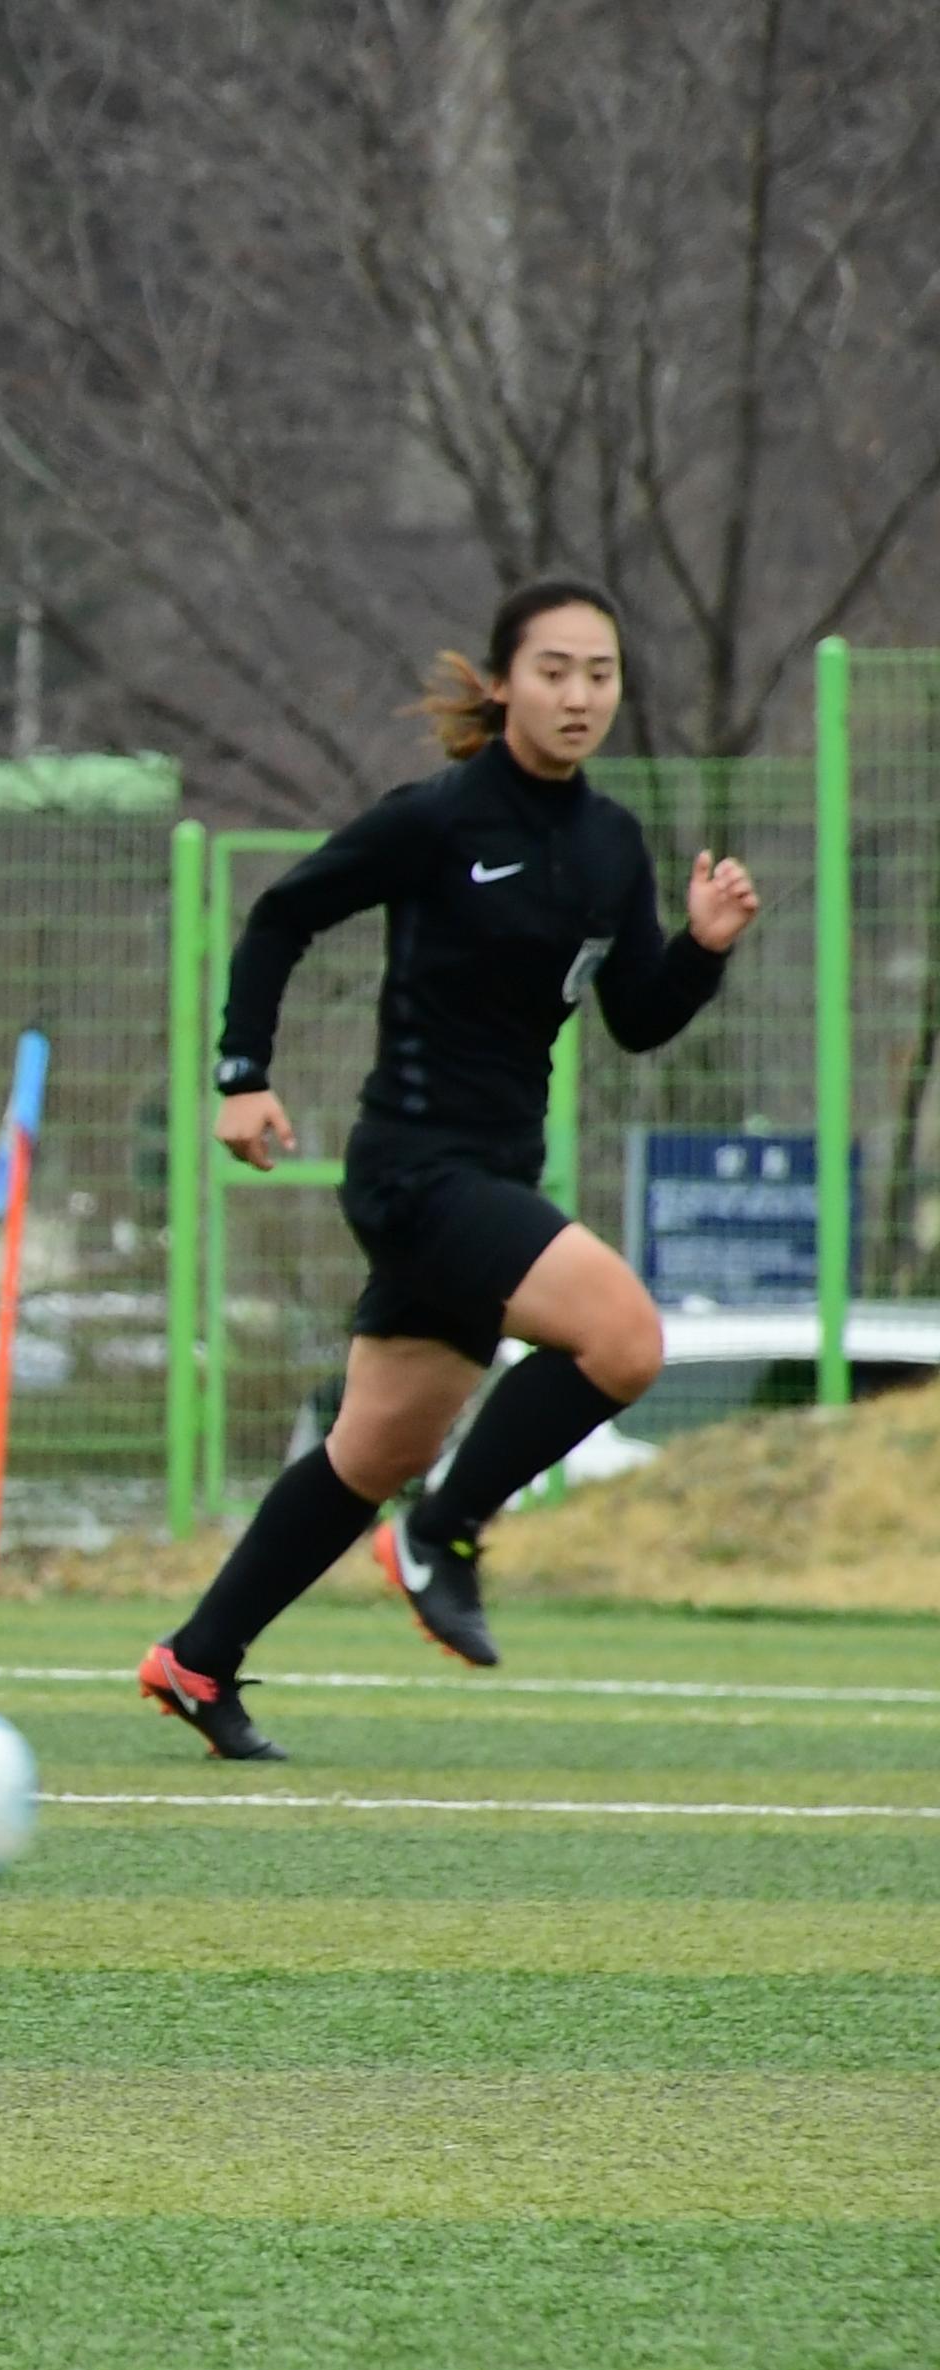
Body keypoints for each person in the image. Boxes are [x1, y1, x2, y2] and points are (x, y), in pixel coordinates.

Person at [144, 577, 760, 1760]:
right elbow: (280, 915)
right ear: (499, 683)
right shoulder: (437, 819)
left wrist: (700, 949)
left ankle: (197, 1657)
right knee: (625, 1340)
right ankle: (446, 1534)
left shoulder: (611, 842)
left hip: (488, 1179)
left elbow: (636, 1018)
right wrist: (242, 1076)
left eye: (601, 672)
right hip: (414, 1171)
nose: (580, 693)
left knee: (369, 1454)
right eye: (554, 669)